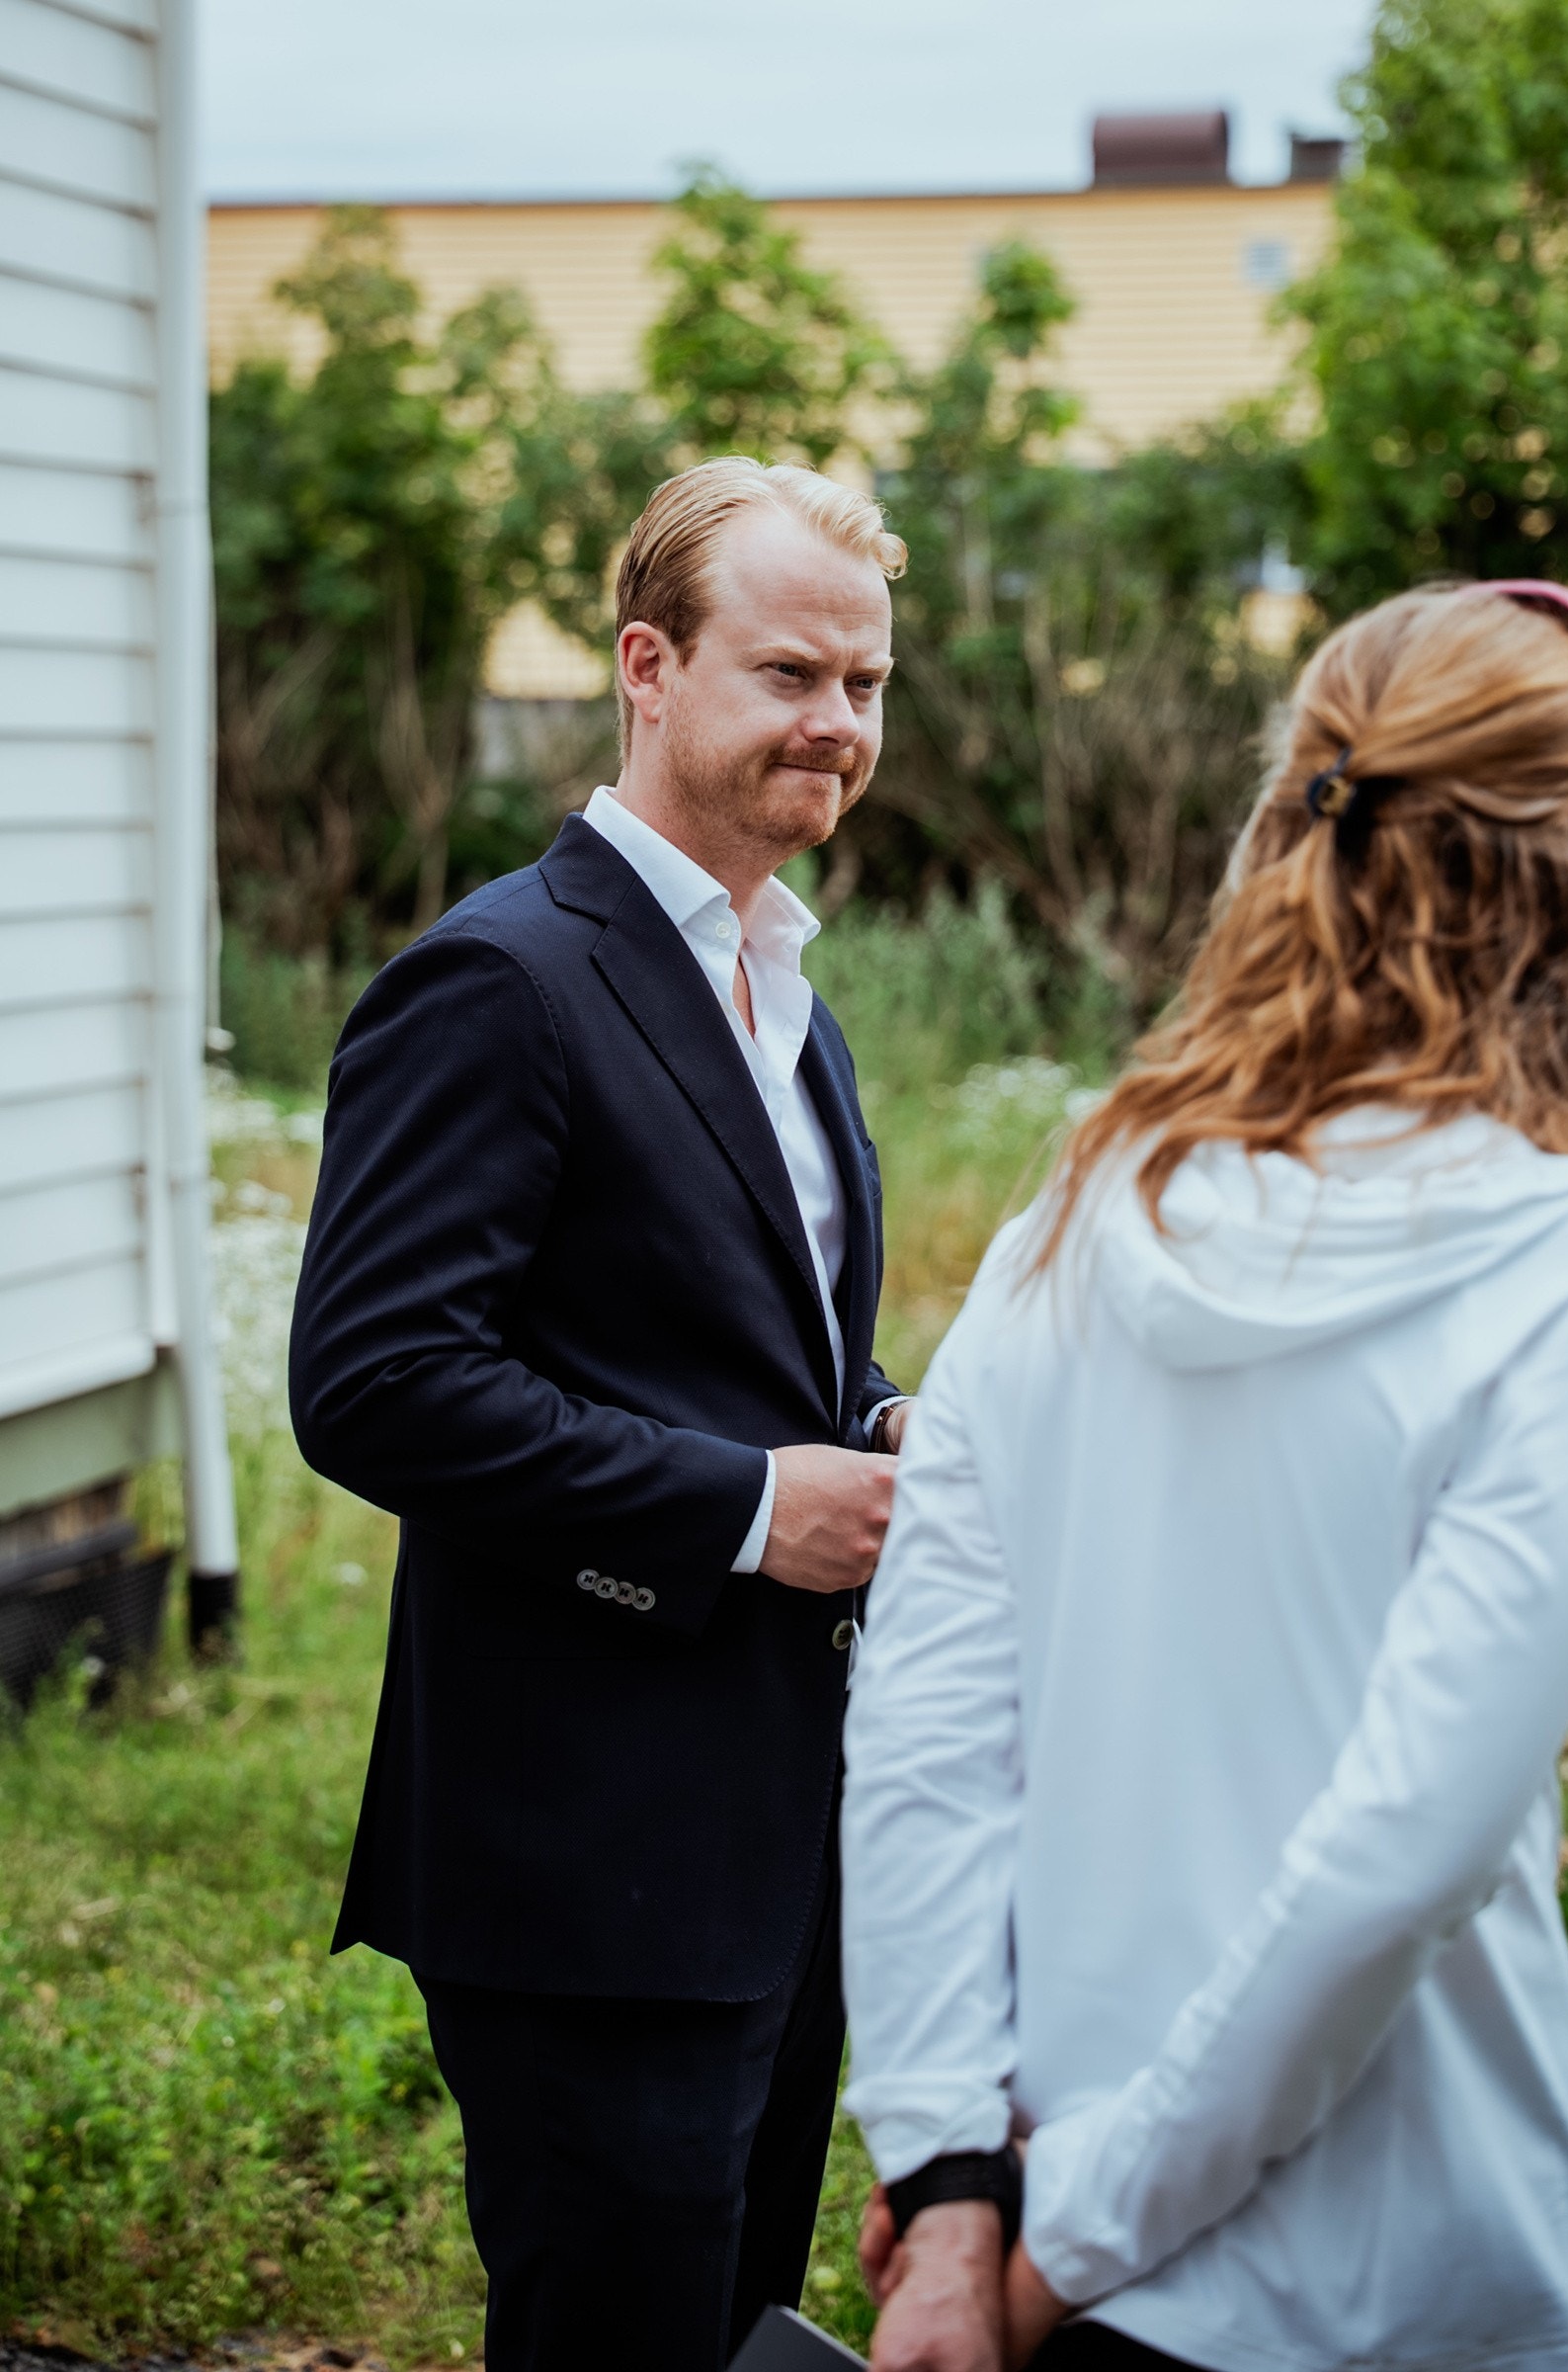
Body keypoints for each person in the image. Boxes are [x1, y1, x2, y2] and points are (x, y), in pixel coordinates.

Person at [841, 581, 1568, 2372]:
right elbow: (1397, 1862)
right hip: (1421, 2283)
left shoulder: (1078, 1213)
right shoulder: (1550, 1269)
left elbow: (931, 1741)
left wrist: (951, 2197)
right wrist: (1052, 2241)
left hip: (1065, 2271)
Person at [289, 458, 914, 2372]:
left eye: (867, 685)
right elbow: (375, 1384)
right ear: (647, 667)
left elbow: (746, 1349)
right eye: (789, 673)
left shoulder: (778, 984)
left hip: (767, 1842)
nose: (837, 724)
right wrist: (744, 1506)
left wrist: (868, 1425)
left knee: (722, 2329)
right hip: (585, 1859)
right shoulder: (499, 977)